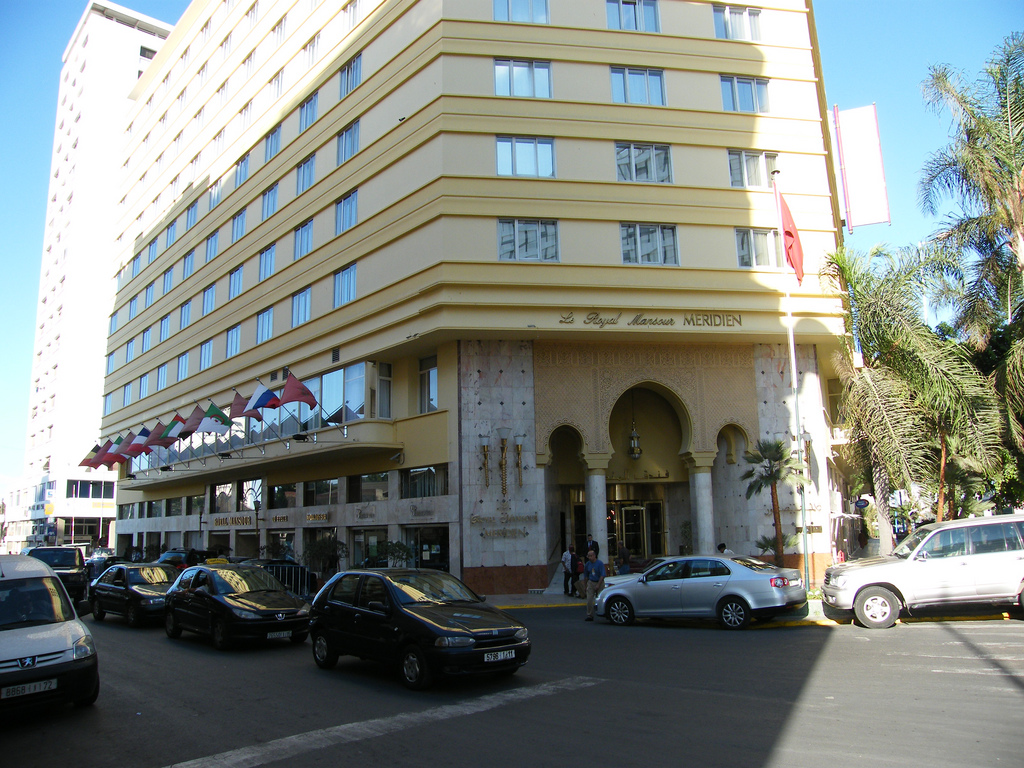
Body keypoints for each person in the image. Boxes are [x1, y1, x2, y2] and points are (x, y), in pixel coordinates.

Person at [583, 549, 605, 621]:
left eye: (591, 556)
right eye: (588, 556)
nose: (589, 557)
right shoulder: (587, 564)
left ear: (594, 556)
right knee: (589, 599)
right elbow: (586, 575)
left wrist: (598, 584)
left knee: (600, 599)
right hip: (591, 581)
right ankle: (590, 614)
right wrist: (585, 586)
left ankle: (603, 612)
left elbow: (602, 575)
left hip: (599, 582)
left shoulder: (600, 563)